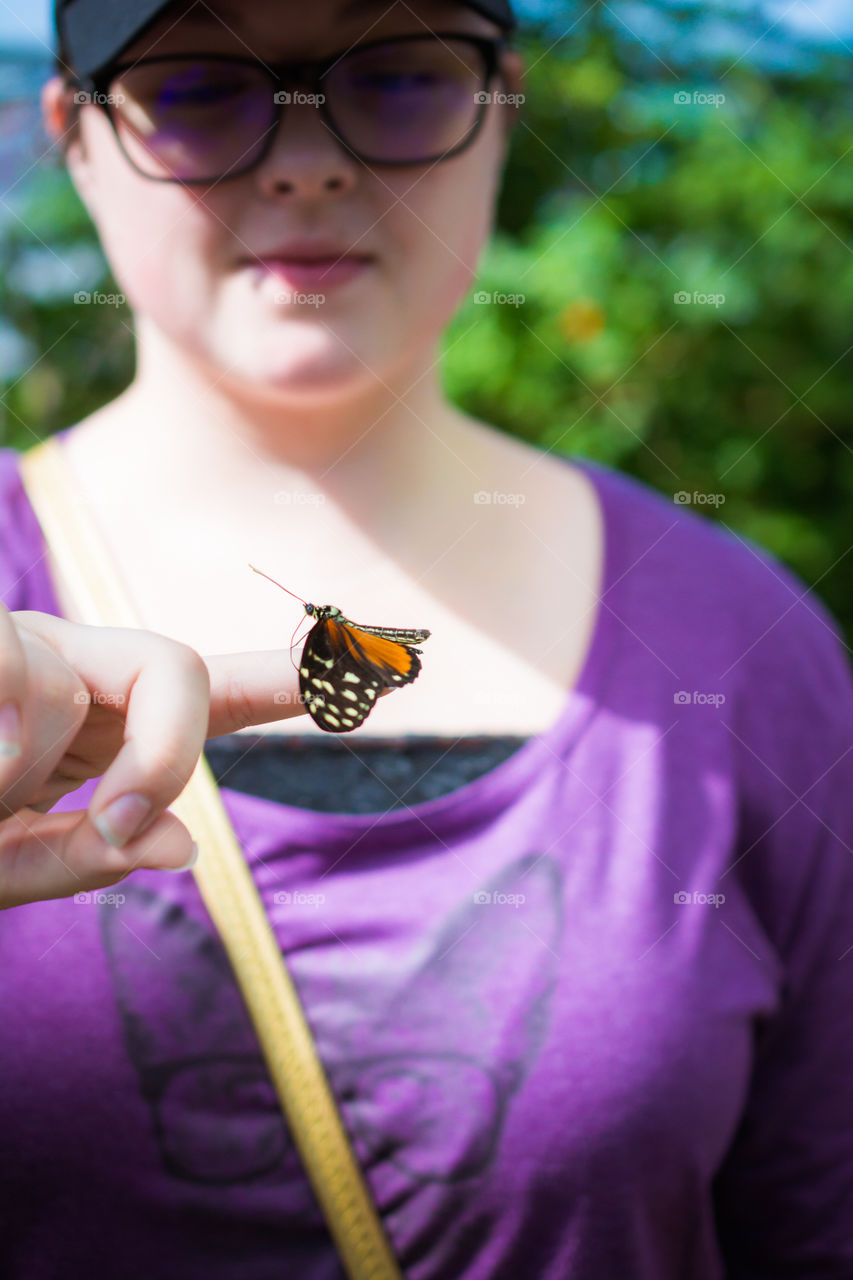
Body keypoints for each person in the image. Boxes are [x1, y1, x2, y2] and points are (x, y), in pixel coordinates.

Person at [0, 0, 851, 1275]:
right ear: (76, 134)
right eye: (197, 90)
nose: (308, 158)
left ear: (502, 110)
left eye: (397, 80)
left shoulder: (739, 636)